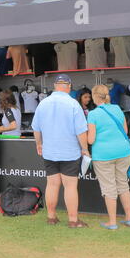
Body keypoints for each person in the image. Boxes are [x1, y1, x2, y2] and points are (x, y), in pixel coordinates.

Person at [32, 74, 89, 228]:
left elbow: (36, 128)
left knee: (52, 184)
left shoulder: (43, 103)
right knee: (70, 186)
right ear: (69, 86)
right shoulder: (73, 104)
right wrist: (85, 149)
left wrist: (39, 144)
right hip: (70, 151)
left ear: (55, 86)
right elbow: (81, 132)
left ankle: (51, 217)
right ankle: (73, 220)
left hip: (50, 150)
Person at [88, 85, 130, 230]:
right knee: (123, 184)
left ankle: (112, 222)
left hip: (103, 155)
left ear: (95, 96)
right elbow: (125, 131)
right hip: (123, 152)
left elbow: (91, 140)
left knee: (109, 187)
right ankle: (129, 219)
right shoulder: (117, 109)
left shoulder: (93, 114)